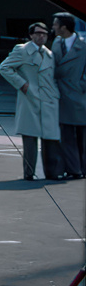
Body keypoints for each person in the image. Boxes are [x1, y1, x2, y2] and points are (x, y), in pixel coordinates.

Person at [0, 22, 63, 181]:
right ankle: (29, 173)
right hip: (30, 99)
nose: (42, 36)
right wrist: (23, 85)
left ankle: (52, 172)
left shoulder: (49, 53)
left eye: (45, 34)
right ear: (31, 35)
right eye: (38, 33)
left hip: (48, 100)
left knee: (51, 138)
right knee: (30, 139)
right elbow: (4, 67)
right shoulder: (22, 50)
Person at [52, 13, 85, 179]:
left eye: (55, 25)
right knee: (66, 136)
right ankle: (74, 169)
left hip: (80, 95)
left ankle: (82, 168)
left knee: (82, 136)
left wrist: (81, 85)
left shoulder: (84, 45)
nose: (53, 28)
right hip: (62, 95)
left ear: (64, 27)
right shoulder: (56, 43)